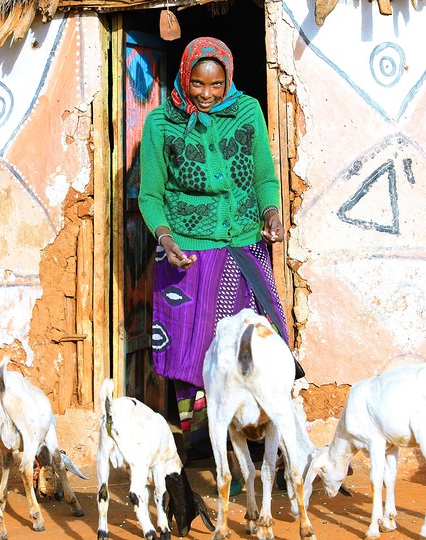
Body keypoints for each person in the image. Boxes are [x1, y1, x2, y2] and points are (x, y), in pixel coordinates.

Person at [138, 37, 291, 492]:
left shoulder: (246, 112)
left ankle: (268, 450)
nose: (206, 94)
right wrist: (165, 239)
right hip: (185, 254)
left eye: (217, 84)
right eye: (198, 84)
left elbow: (264, 175)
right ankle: (213, 449)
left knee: (259, 346)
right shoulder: (160, 124)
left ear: (228, 79)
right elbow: (150, 194)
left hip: (242, 247)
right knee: (196, 351)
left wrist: (270, 212)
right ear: (184, 77)